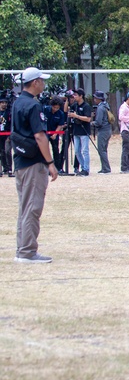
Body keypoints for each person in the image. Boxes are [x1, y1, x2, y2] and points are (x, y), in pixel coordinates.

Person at [12, 68, 59, 263]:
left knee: (25, 207)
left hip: (20, 162)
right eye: (41, 80)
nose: (43, 83)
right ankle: (27, 252)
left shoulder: (17, 103)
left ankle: (22, 248)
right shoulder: (33, 105)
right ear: (34, 83)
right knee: (33, 207)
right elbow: (40, 136)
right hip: (33, 163)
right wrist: (50, 163)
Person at [67, 89, 92, 176]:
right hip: (76, 131)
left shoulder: (86, 106)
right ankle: (83, 167)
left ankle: (86, 169)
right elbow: (66, 109)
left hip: (84, 131)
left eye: (76, 95)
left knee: (85, 150)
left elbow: (88, 119)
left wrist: (76, 116)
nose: (74, 97)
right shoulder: (75, 105)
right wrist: (67, 99)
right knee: (77, 151)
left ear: (81, 96)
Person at [92, 91, 113, 174]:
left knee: (101, 150)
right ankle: (104, 167)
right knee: (104, 149)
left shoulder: (100, 108)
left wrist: (91, 123)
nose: (94, 99)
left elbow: (98, 122)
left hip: (103, 130)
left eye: (95, 98)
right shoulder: (106, 106)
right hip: (107, 130)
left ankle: (106, 168)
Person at [45, 97, 67, 174]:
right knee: (44, 150)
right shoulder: (45, 110)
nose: (55, 109)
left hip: (54, 133)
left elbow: (60, 125)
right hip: (45, 133)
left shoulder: (60, 113)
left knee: (55, 149)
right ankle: (45, 168)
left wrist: (55, 134)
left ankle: (57, 168)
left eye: (57, 108)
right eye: (54, 107)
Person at [0, 97, 10, 177]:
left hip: (7, 134)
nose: (4, 104)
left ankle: (9, 168)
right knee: (1, 152)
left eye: (5, 103)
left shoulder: (8, 113)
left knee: (7, 151)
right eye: (2, 102)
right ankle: (4, 168)